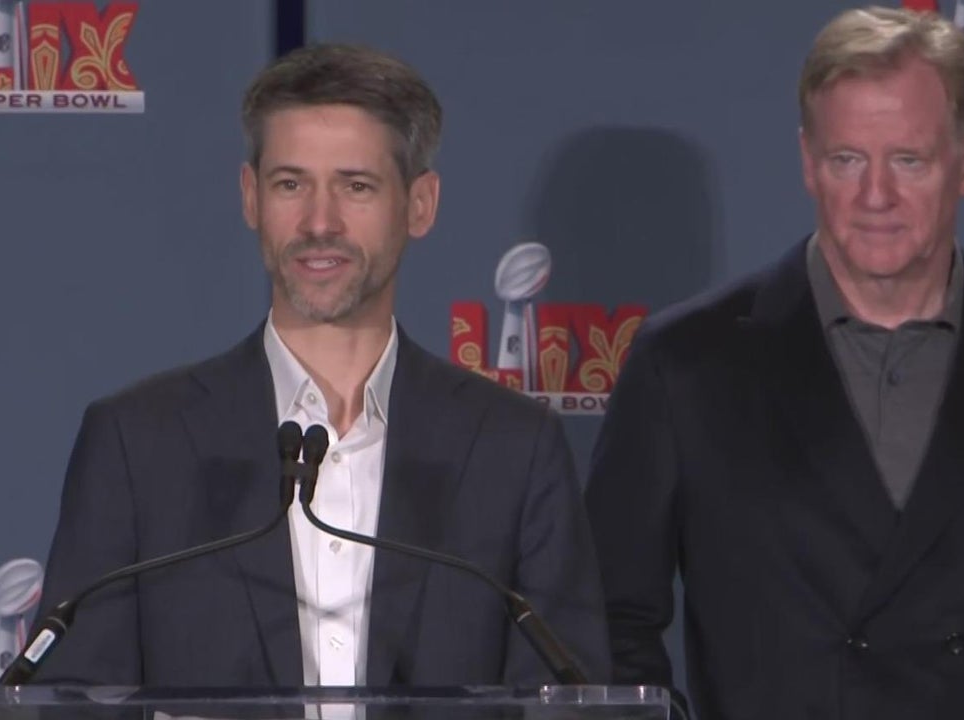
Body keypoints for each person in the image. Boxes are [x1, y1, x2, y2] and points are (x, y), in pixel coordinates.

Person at [31, 43, 610, 689]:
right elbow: (70, 696)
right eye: (290, 184)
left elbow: (567, 697)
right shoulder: (139, 441)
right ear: (251, 198)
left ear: (420, 204)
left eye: (356, 186)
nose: (318, 223)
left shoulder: (513, 448)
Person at [585, 5, 964, 718]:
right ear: (809, 163)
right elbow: (604, 625)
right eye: (847, 160)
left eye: (909, 160)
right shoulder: (685, 365)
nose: (876, 196)